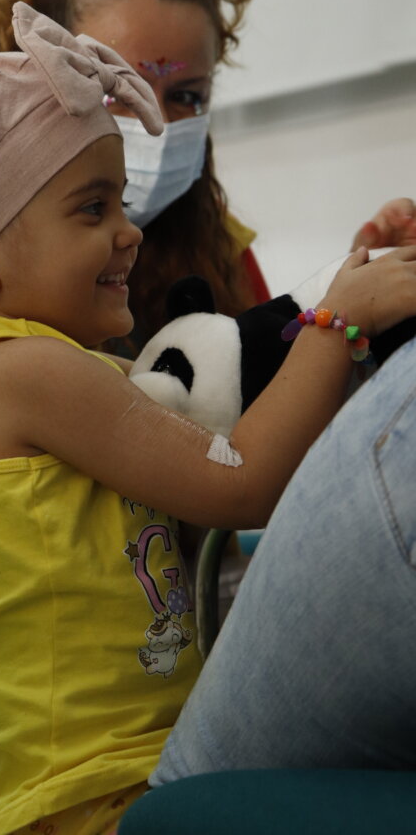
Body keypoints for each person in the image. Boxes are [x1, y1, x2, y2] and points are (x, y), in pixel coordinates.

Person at [0, 2, 416, 835]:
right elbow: (239, 481)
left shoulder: (66, 369)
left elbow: (248, 397)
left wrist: (344, 293)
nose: (128, 233)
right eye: (91, 209)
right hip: (73, 805)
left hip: (126, 769)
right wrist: (337, 324)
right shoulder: (14, 371)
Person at [0, 0, 416, 349]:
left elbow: (255, 394)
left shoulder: (218, 247)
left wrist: (353, 295)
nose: (157, 126)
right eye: (118, 90)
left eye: (186, 96)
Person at [149, 329, 416, 783]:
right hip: (122, 783)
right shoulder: (32, 366)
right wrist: (330, 324)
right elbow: (240, 487)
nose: (128, 250)